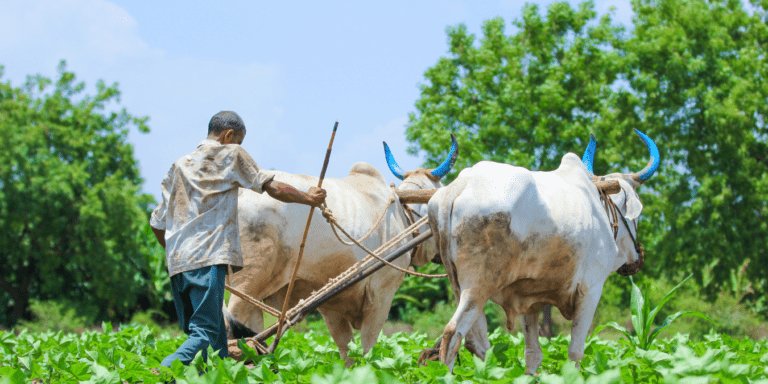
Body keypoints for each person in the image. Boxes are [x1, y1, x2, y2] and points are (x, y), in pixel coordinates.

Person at [149, 111, 326, 367]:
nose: (240, 147)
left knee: (216, 344)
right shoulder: (231, 154)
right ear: (228, 135)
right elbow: (272, 187)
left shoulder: (179, 165)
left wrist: (176, 253)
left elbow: (156, 223)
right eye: (239, 141)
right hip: (207, 258)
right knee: (205, 334)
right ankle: (154, 376)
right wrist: (308, 198)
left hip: (178, 266)